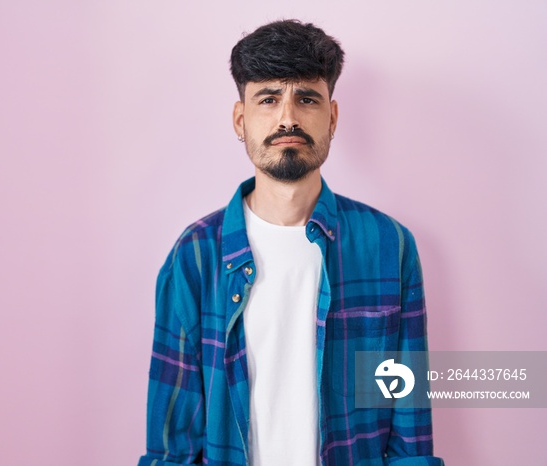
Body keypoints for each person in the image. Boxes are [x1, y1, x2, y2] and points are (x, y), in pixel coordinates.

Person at [137, 19, 444, 466]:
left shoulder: (387, 246)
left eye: (306, 98)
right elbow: (171, 447)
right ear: (241, 120)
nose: (288, 117)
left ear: (332, 117)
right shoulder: (196, 256)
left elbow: (410, 428)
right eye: (268, 98)